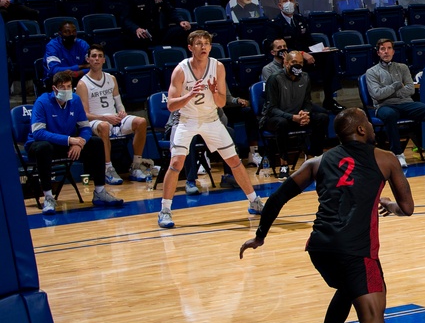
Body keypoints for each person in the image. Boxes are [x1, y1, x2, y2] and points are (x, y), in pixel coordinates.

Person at [239, 108, 412, 323]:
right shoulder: (386, 159)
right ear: (360, 131)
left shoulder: (316, 162)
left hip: (319, 248)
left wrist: (261, 236)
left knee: (347, 289)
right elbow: (408, 208)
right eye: (368, 124)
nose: (372, 126)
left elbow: (277, 198)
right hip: (357, 250)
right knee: (373, 317)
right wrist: (392, 207)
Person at [157, 31, 263, 229]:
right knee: (176, 162)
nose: (203, 47)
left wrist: (214, 92)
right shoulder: (180, 70)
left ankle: (254, 201)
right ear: (190, 47)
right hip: (186, 120)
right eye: (198, 43)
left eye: (206, 43)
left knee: (234, 161)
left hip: (210, 119)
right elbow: (171, 105)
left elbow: (222, 102)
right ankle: (165, 210)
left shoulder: (218, 67)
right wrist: (189, 95)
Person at [27, 70, 123, 215]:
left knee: (96, 143)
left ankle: (100, 191)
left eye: (68, 86)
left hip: (70, 143)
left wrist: (80, 143)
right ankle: (48, 197)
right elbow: (38, 133)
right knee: (43, 148)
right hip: (42, 144)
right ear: (54, 89)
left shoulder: (75, 100)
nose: (66, 90)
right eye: (63, 87)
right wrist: (69, 140)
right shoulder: (42, 102)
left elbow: (85, 127)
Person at [77, 45, 152, 184]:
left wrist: (122, 111)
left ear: (104, 60)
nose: (97, 59)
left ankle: (136, 165)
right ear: (88, 59)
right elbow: (84, 115)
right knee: (104, 126)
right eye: (93, 56)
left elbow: (119, 103)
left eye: (100, 56)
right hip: (95, 121)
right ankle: (108, 169)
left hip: (114, 118)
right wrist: (105, 118)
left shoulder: (111, 78)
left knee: (141, 122)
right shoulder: (83, 84)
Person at [364, 39, 425, 167]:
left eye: (389, 48)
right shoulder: (371, 72)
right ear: (378, 53)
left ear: (393, 51)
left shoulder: (402, 67)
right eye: (383, 49)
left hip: (406, 103)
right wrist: (396, 85)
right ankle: (398, 154)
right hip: (384, 106)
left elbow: (411, 90)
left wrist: (390, 92)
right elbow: (377, 94)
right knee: (390, 114)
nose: (386, 52)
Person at [261, 51, 331, 177]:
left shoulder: (305, 77)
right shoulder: (275, 79)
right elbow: (271, 109)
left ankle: (311, 159)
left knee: (322, 118)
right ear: (286, 63)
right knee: (281, 123)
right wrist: (292, 117)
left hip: (297, 117)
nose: (297, 66)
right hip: (275, 118)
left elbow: (307, 102)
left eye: (300, 63)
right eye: (294, 63)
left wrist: (305, 113)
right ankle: (284, 164)